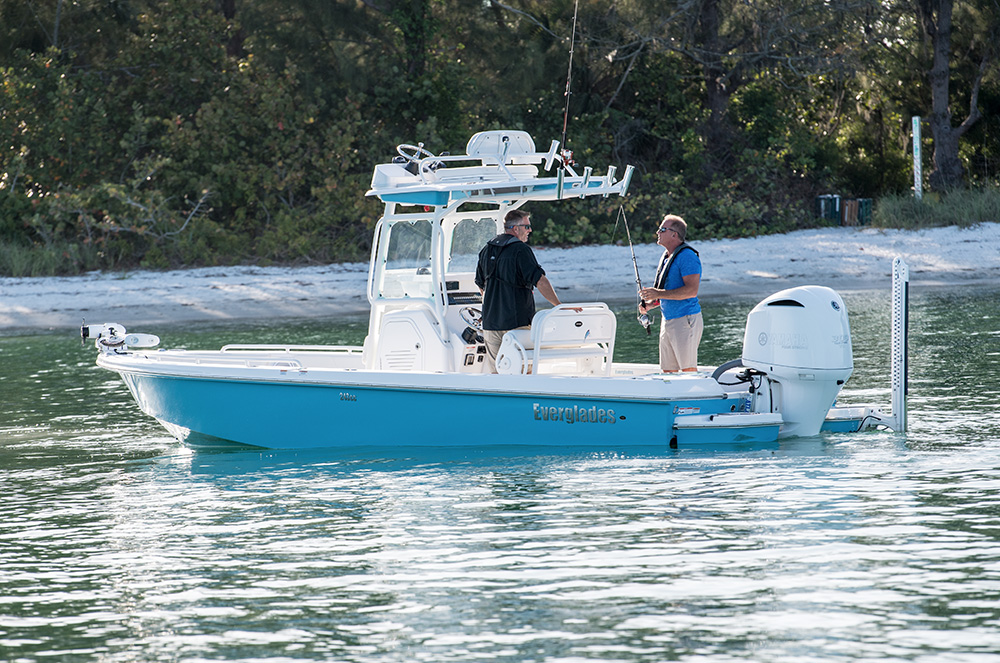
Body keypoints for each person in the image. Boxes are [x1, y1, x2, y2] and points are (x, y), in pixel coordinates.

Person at [475, 209, 564, 373]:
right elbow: (540, 281)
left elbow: (481, 285)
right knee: (522, 371)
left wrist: (492, 307)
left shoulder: (486, 250)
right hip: (517, 325)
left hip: (490, 324)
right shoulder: (521, 250)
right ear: (516, 228)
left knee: (497, 371)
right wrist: (559, 306)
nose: (530, 230)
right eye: (527, 226)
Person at [639, 214, 703, 372]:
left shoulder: (687, 256)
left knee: (688, 371)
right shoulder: (667, 257)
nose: (657, 232)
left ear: (674, 234)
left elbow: (691, 291)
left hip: (685, 320)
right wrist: (651, 303)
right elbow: (667, 292)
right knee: (668, 372)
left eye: (662, 229)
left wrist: (657, 294)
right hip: (667, 321)